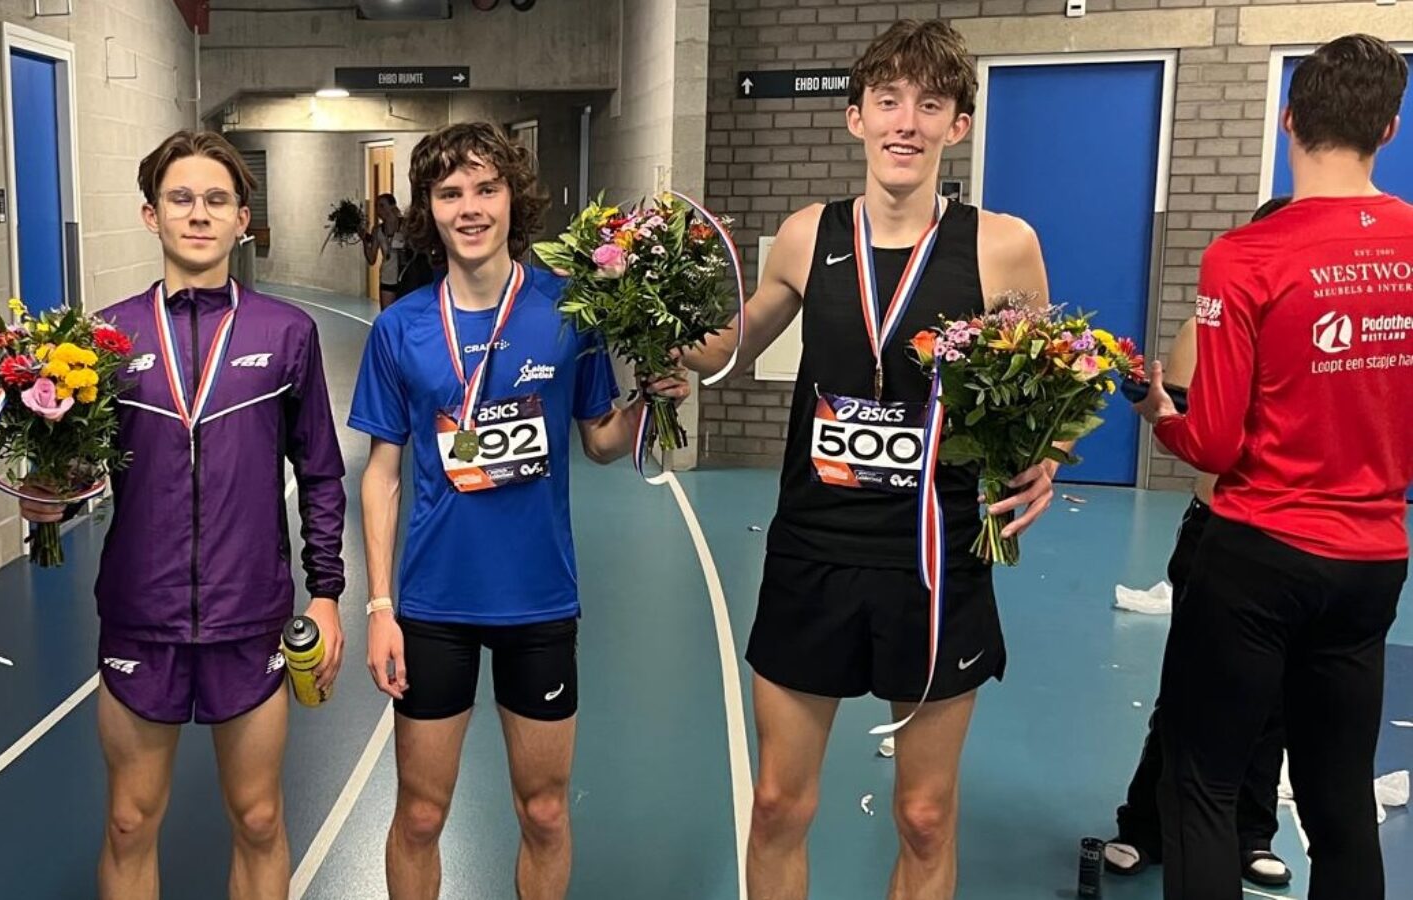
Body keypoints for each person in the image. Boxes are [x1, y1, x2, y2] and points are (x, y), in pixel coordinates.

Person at [673, 20, 1056, 899]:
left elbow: (1051, 386)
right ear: (856, 118)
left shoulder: (1002, 245)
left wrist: (1051, 457)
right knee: (779, 803)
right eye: (888, 101)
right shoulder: (807, 234)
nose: (906, 122)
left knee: (923, 815)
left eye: (930, 104)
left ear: (958, 124)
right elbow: (728, 347)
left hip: (937, 557)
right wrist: (647, 318)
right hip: (813, 551)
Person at [348, 121, 688, 900]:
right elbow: (382, 475)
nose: (470, 208)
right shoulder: (401, 328)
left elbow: (600, 441)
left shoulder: (569, 312)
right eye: (450, 193)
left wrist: (649, 402)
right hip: (434, 604)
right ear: (429, 210)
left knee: (543, 811)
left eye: (486, 188)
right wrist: (380, 606)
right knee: (421, 815)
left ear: (513, 199)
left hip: (538, 601)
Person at [19, 129, 348, 900]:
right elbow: (68, 473)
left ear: (242, 220)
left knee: (259, 818)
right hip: (143, 616)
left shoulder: (286, 334)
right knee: (129, 821)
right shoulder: (102, 342)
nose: (198, 214)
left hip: (249, 617)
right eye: (181, 199)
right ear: (151, 215)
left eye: (216, 200)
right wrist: (47, 498)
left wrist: (328, 592)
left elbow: (321, 472)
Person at [1134, 33, 1411, 900]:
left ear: (1287, 119)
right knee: (1341, 800)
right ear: (1389, 128)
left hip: (1257, 556)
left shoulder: (1246, 254)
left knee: (1203, 787)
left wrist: (1161, 417)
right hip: (1372, 563)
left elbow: (1215, 445)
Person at [1102, 198, 1294, 890]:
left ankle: (1252, 832)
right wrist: (1163, 411)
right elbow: (1187, 427)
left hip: (1294, 538)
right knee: (1187, 691)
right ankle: (1144, 825)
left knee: (1275, 699)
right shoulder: (1206, 327)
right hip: (1220, 530)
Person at [363, 193, 414, 309]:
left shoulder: (406, 225)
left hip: (406, 277)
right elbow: (371, 259)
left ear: (392, 206)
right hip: (387, 277)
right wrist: (364, 240)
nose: (378, 210)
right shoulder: (377, 230)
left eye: (382, 206)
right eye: (376, 206)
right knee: (387, 313)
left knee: (405, 313)